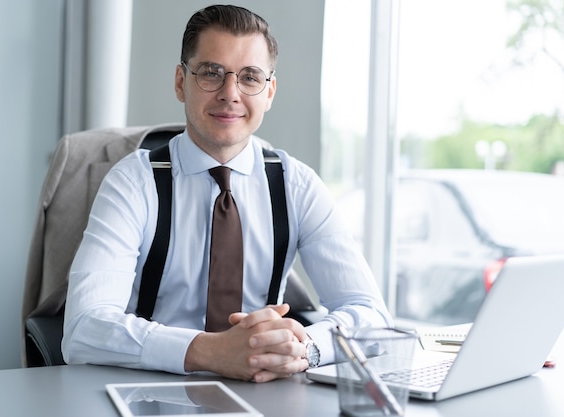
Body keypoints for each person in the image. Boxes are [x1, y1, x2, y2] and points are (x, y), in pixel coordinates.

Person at [62, 4, 392, 383]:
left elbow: (371, 314)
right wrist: (210, 351)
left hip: (267, 391)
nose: (230, 93)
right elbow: (83, 329)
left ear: (269, 92)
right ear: (179, 82)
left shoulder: (296, 185)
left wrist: (303, 349)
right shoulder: (134, 183)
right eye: (211, 73)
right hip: (151, 388)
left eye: (250, 77)